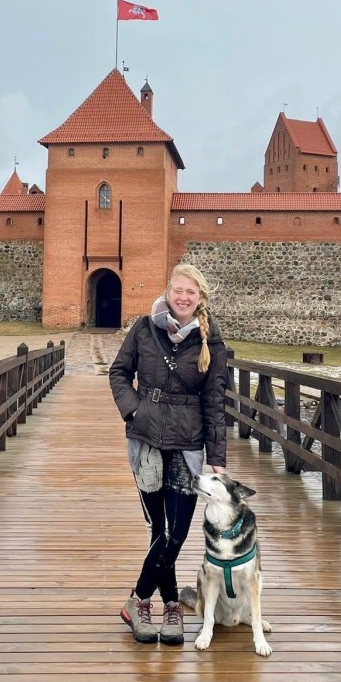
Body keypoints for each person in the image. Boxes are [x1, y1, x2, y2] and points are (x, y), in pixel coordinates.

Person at [108, 263, 228, 645]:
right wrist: (133, 409)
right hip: (146, 439)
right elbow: (118, 373)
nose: (183, 297)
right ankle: (172, 605)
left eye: (191, 292)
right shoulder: (144, 329)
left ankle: (139, 599)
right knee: (158, 530)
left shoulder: (213, 340)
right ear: (168, 291)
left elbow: (215, 402)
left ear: (200, 298)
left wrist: (217, 457)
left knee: (175, 533)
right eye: (178, 290)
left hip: (188, 443)